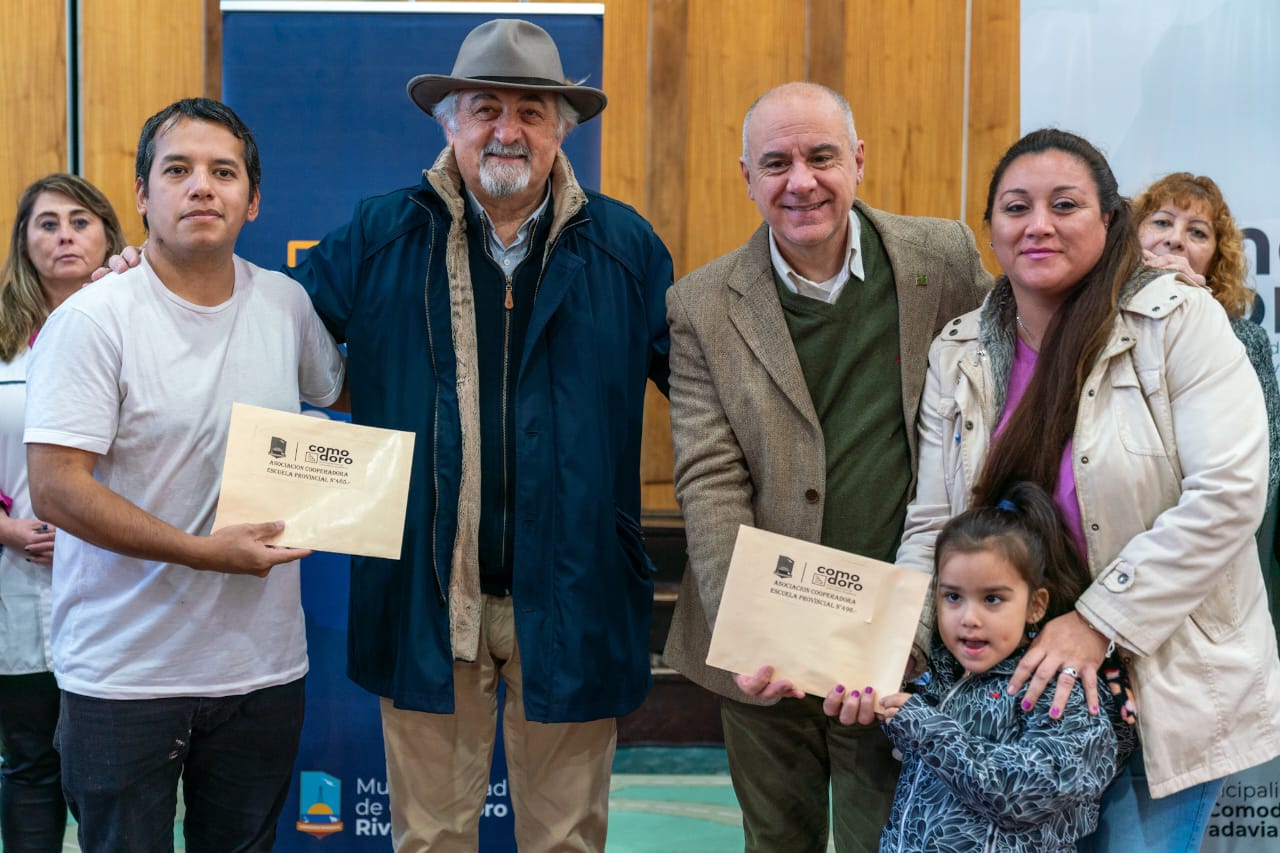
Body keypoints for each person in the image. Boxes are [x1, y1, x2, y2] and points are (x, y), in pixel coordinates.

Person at [283, 20, 672, 852]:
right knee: (428, 840)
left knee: (567, 841)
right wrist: (161, 277)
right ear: (448, 124)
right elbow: (266, 329)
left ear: (563, 127)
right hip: (427, 596)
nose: (507, 129)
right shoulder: (381, 232)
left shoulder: (627, 247)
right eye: (486, 108)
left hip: (573, 596)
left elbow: (705, 386)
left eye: (531, 110)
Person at [897, 128, 1280, 852]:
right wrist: (902, 644)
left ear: (1111, 221)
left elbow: (1229, 492)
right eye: (1016, 207)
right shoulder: (959, 349)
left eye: (1064, 204)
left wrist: (1098, 620)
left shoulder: (1180, 321)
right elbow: (933, 524)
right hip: (1009, 700)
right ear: (992, 230)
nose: (1038, 224)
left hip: (1156, 684)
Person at [661, 81, 991, 852]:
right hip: (765, 657)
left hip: (905, 638)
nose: (800, 181)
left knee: (896, 837)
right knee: (779, 841)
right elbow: (710, 478)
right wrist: (751, 634)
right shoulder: (700, 304)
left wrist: (919, 631)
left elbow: (990, 412)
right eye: (775, 163)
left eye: (820, 156)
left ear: (859, 161)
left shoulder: (941, 260)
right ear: (746, 176)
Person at [24, 98, 345, 852]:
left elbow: (347, 393)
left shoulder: (286, 304)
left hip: (261, 671)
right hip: (124, 674)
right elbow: (57, 486)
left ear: (253, 199)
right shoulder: (94, 318)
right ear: (141, 195)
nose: (202, 187)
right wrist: (205, 551)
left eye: (223, 172)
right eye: (178, 170)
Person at [826, 482, 1125, 852]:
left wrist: (924, 727)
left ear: (1036, 605)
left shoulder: (1058, 689)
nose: (969, 618)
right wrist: (878, 702)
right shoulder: (937, 672)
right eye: (953, 596)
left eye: (993, 599)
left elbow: (1023, 795)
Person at [0, 174, 124, 852]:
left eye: (80, 221)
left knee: (108, 773)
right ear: (25, 242)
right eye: (46, 223)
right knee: (30, 764)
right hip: (18, 587)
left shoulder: (137, 319)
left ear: (109, 234)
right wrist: (10, 528)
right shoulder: (1, 340)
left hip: (119, 583)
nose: (65, 235)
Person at [1133, 171, 1280, 518]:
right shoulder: (1094, 321)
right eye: (1162, 222)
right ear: (1132, 234)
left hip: (1209, 525)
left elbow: (1266, 467)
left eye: (1197, 232)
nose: (1175, 240)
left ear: (1216, 260)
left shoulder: (1244, 338)